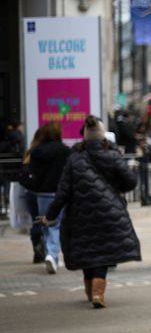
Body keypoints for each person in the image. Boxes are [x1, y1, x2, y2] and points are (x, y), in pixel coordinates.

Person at [41, 116, 140, 308]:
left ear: (85, 137)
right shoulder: (111, 155)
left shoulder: (74, 159)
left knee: (87, 250)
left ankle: (90, 289)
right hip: (110, 213)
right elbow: (131, 182)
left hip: (79, 214)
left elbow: (62, 192)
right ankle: (98, 292)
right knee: (102, 252)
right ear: (102, 137)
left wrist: (50, 216)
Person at [24, 122, 71, 273]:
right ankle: (52, 255)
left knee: (46, 224)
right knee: (56, 224)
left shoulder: (37, 151)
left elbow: (31, 172)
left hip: (42, 193)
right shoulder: (65, 150)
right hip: (59, 192)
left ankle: (50, 253)